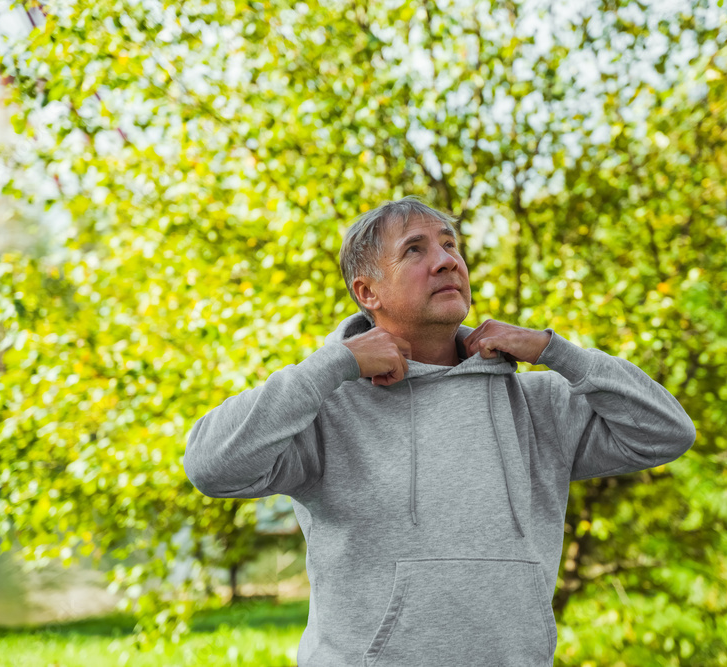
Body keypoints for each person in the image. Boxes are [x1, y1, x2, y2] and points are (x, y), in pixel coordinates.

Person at [183, 196, 696, 666]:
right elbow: (210, 466)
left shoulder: (537, 403)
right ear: (368, 292)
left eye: (451, 246)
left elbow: (667, 432)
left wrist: (553, 351)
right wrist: (331, 367)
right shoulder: (327, 408)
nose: (448, 260)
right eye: (415, 250)